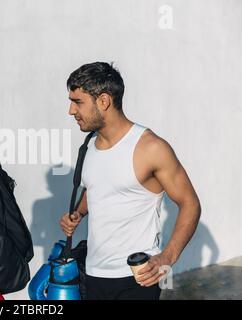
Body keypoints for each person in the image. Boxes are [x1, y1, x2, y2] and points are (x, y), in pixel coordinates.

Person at [60, 62, 201, 300]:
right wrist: (77, 214)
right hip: (93, 274)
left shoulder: (151, 148)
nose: (71, 111)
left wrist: (167, 257)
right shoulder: (89, 146)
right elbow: (97, 188)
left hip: (137, 277)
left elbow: (190, 203)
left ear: (103, 101)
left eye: (78, 102)